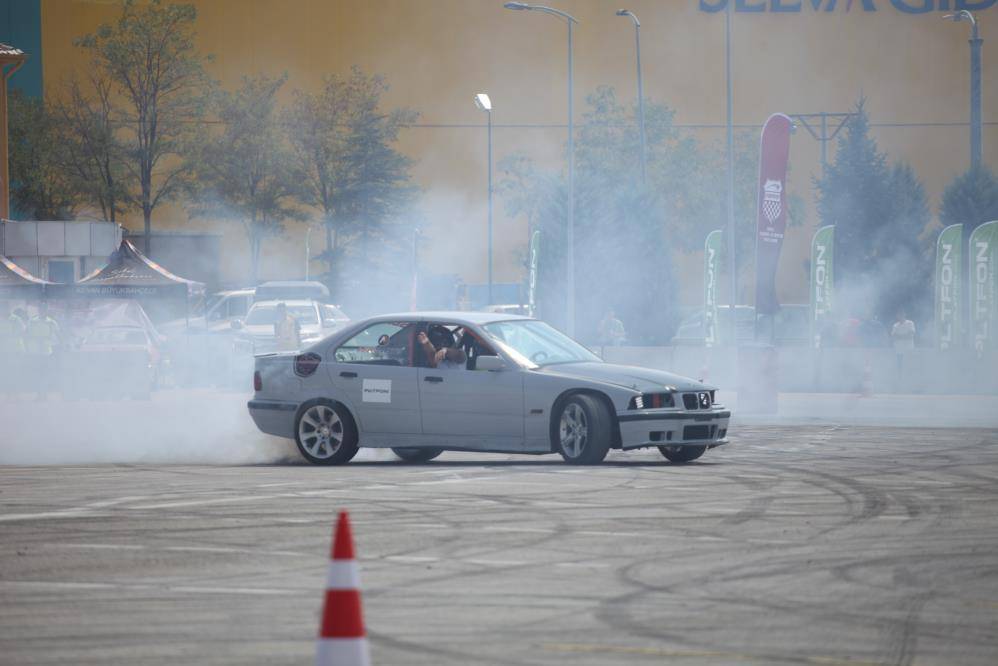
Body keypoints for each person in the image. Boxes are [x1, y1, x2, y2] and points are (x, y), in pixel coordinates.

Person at [25, 302, 61, 399]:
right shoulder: (32, 322)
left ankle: (44, 393)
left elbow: (57, 336)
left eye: (44, 309)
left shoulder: (51, 322)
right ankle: (39, 394)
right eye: (41, 309)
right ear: (39, 310)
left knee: (45, 373)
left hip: (47, 351)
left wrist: (55, 346)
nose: (42, 311)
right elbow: (26, 335)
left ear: (46, 310)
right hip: (35, 351)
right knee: (36, 373)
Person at [890, 309, 915, 388]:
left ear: (905, 315)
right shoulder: (895, 325)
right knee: (899, 368)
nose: (900, 316)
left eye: (902, 314)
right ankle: (900, 384)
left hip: (908, 350)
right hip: (898, 350)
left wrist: (899, 336)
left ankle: (910, 384)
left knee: (909, 367)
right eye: (899, 314)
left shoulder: (910, 323)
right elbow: (893, 336)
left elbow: (911, 335)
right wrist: (904, 336)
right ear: (897, 316)